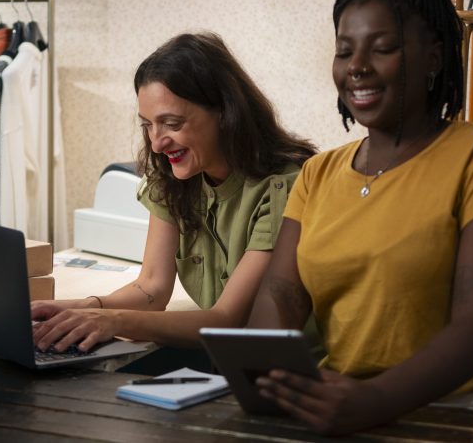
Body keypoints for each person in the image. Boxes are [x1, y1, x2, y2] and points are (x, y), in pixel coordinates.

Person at [248, 0, 473, 435]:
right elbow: (280, 295)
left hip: (456, 415)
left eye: (382, 48)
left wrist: (377, 399)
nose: (356, 66)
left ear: (433, 58)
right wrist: (265, 375)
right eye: (345, 50)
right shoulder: (318, 174)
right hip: (345, 411)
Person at [32, 32, 316, 352]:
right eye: (148, 125)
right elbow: (151, 287)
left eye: (172, 123)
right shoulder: (176, 180)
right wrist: (83, 308)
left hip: (288, 372)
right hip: (228, 362)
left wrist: (112, 320)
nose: (156, 142)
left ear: (225, 112)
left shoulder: (284, 188)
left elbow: (229, 319)